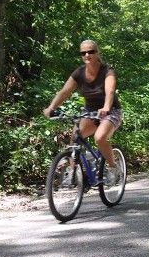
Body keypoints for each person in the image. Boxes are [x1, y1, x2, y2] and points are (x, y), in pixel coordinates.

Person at [43, 40, 123, 184]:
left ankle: (112, 167)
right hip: (89, 112)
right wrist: (51, 108)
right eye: (83, 52)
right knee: (75, 138)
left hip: (110, 111)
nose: (87, 55)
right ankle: (73, 173)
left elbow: (109, 91)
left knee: (99, 138)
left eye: (91, 51)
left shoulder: (107, 71)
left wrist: (105, 107)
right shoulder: (79, 73)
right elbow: (65, 92)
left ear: (97, 53)